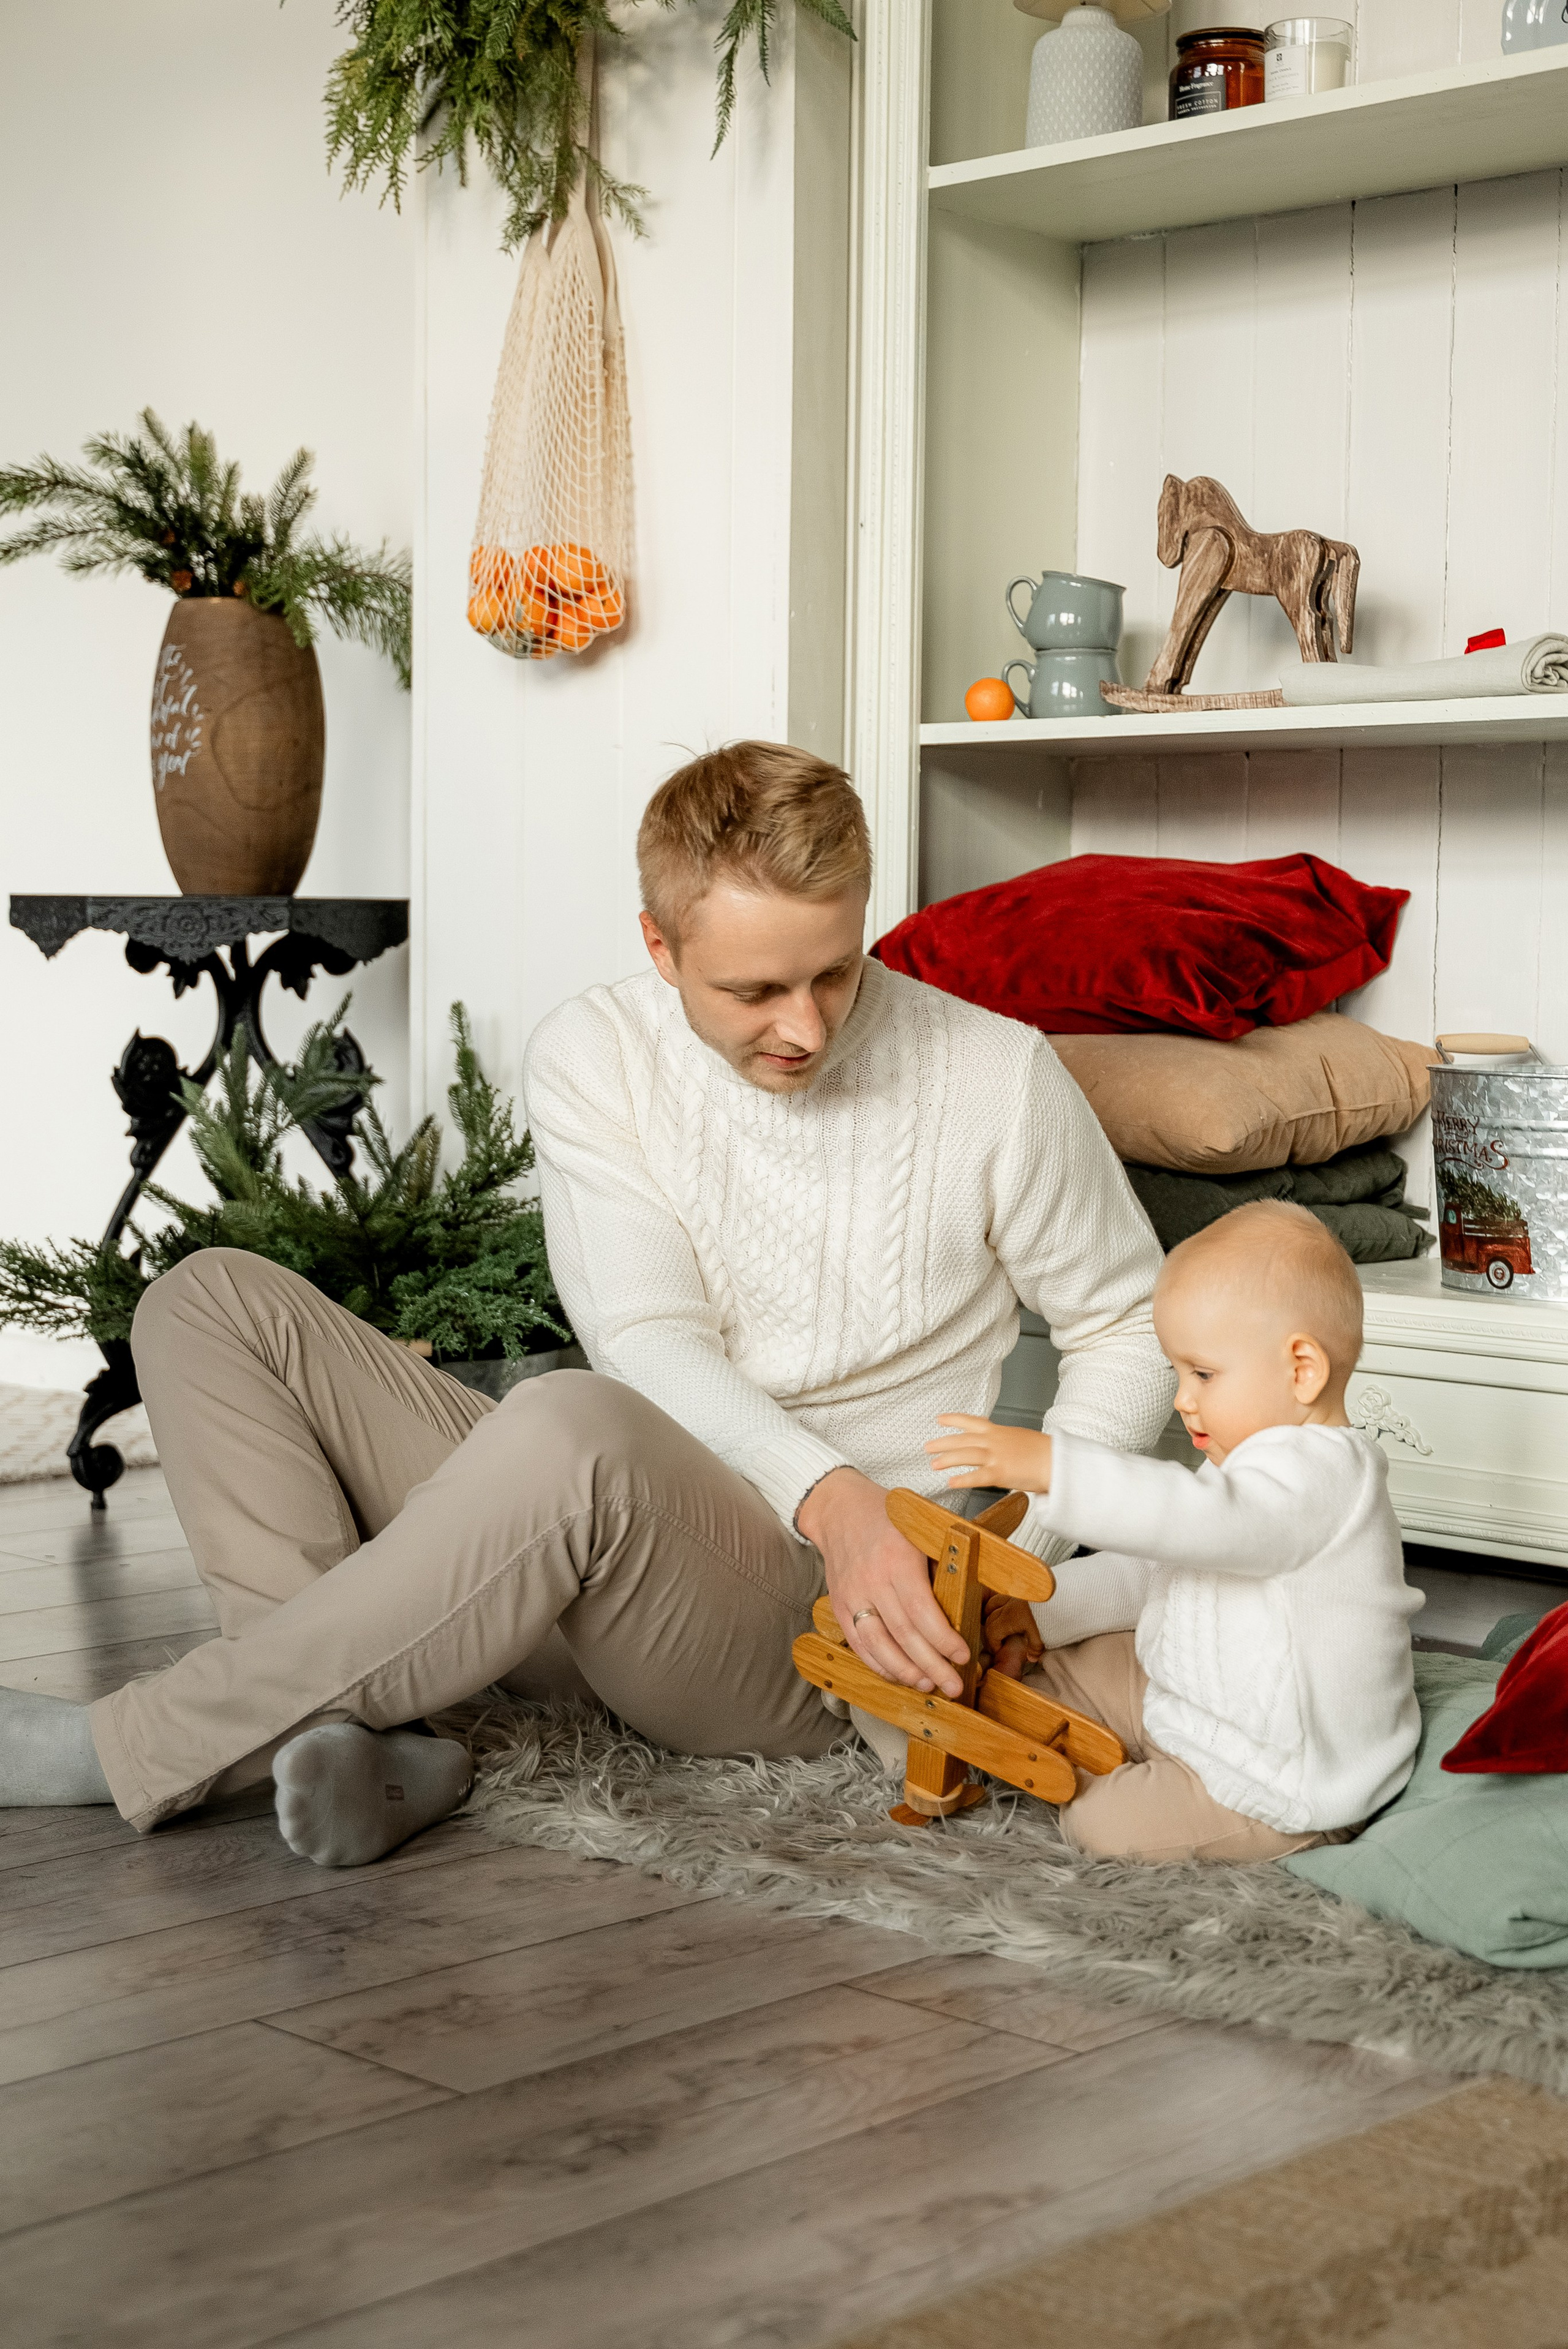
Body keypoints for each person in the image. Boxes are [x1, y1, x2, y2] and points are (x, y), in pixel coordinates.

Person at [0, 741, 1172, 1864]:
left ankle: (137, 1746)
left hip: (811, 1630)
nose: (807, 1025)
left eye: (834, 970)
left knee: (569, 1424)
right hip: (619, 1546)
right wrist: (835, 1497)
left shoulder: (998, 1075)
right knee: (206, 1304)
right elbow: (647, 1339)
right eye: (756, 988)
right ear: (660, 948)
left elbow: (1128, 1317)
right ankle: (349, 1745)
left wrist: (1006, 1561)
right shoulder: (597, 1053)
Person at [927, 1198, 1423, 1864]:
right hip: (1197, 1705)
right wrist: (1042, 1613)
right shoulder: (1245, 1469)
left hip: (1276, 1780)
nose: (1183, 1398)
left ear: (1301, 1370)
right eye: (1177, 1372)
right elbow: (1154, 1565)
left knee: (1101, 1824)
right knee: (1048, 1673)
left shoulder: (1321, 1478)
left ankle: (1131, 1782)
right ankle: (1065, 1721)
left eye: (1204, 1374)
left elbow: (1188, 1518)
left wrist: (1053, 1468)